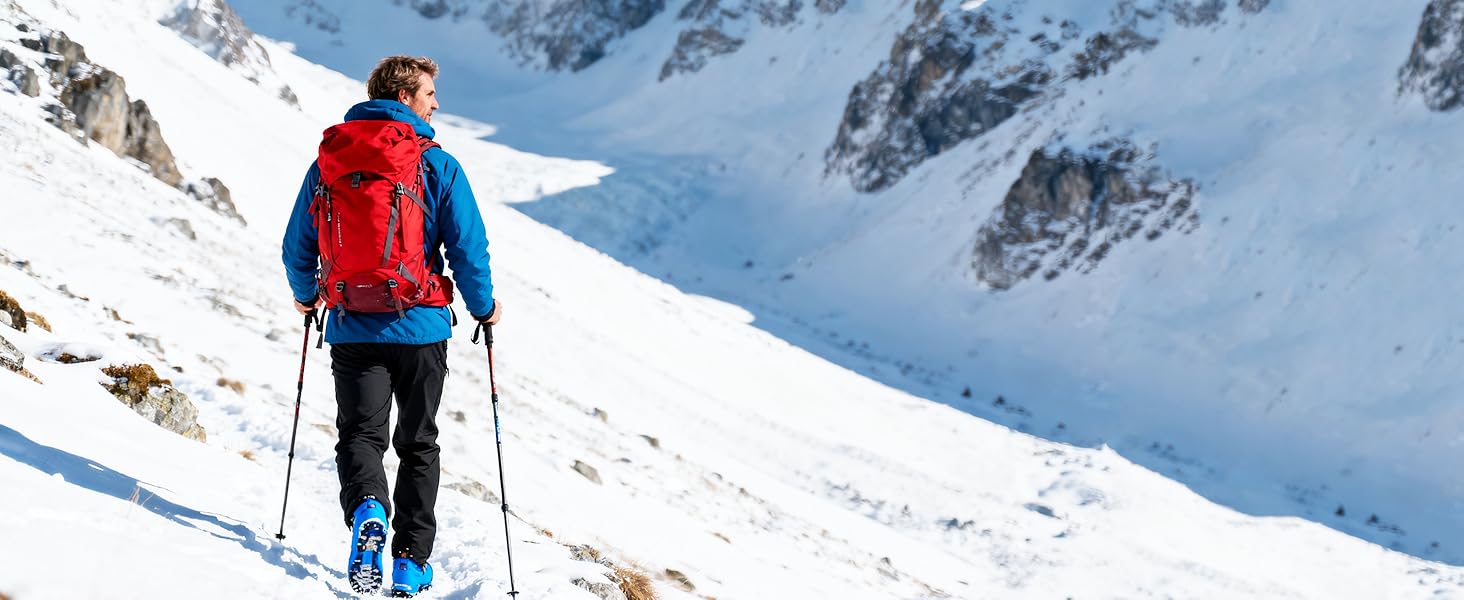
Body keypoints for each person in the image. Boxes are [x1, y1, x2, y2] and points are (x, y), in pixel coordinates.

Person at [281, 55, 502, 597]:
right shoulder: (435, 163)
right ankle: (409, 563)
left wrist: (307, 297)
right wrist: (484, 307)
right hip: (422, 326)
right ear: (405, 96)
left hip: (353, 326)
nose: (436, 103)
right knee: (419, 444)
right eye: (429, 93)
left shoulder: (329, 161)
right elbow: (467, 247)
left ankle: (366, 512)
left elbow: (297, 246)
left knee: (360, 435)